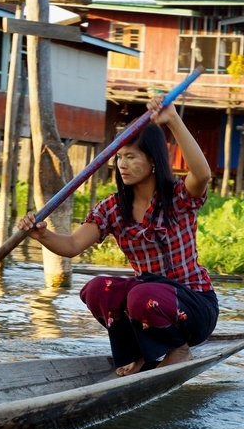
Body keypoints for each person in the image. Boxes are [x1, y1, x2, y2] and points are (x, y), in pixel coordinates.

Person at [17, 95, 218, 376]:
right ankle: (141, 353)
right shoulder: (112, 208)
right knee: (97, 289)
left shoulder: (177, 197)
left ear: (153, 160)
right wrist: (42, 235)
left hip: (193, 306)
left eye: (131, 156)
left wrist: (172, 119)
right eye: (119, 157)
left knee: (141, 295)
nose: (122, 165)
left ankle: (179, 348)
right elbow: (73, 245)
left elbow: (202, 173)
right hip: (150, 301)